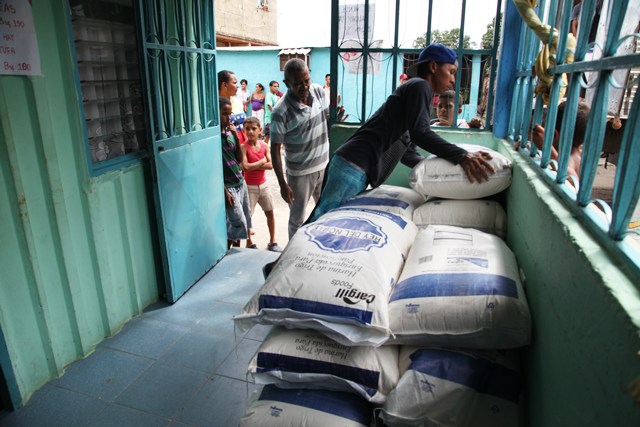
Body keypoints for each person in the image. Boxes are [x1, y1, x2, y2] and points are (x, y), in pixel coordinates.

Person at [306, 44, 496, 223]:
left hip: (354, 164)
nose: (453, 79)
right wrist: (461, 156)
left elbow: (407, 152)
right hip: (353, 165)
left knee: (326, 217)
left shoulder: (416, 91)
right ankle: (290, 258)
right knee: (323, 219)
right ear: (433, 67)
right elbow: (420, 133)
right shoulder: (420, 87)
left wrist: (439, 172)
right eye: (451, 72)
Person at [270, 59, 333, 238]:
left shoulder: (319, 92)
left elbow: (327, 119)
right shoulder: (280, 112)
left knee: (327, 211)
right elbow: (274, 150)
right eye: (298, 83)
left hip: (324, 166)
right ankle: (293, 257)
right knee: (297, 220)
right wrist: (282, 184)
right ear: (287, 83)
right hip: (299, 175)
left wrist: (336, 119)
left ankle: (321, 249)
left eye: (306, 80)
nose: (304, 86)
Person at [240, 116, 283, 252]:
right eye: (247, 129)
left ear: (260, 130)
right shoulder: (243, 147)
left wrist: (257, 164)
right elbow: (245, 167)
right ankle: (249, 242)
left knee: (270, 213)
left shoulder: (264, 146)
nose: (251, 132)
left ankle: (272, 241)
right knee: (248, 216)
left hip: (263, 185)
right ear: (244, 130)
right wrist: (262, 161)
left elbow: (271, 165)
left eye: (254, 128)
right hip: (249, 187)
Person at [219, 97, 254, 249]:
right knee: (239, 223)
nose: (228, 117)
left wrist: (235, 136)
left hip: (240, 182)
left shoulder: (229, 134)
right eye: (224, 114)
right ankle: (225, 251)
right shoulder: (215, 138)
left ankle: (237, 250)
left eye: (230, 113)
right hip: (229, 186)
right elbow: (213, 169)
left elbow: (239, 158)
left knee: (246, 220)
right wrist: (224, 190)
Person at [531, 100, 590, 179]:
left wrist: (548, 150)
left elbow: (574, 181)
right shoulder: (579, 155)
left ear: (555, 135)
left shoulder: (569, 158)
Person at [218, 69, 247, 144]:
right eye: (234, 83)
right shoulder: (216, 105)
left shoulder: (237, 102)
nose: (237, 86)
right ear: (224, 84)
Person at [264, 80, 281, 145]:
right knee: (267, 136)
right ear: (270, 87)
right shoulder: (269, 94)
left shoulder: (275, 95)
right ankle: (264, 151)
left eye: (277, 86)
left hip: (274, 120)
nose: (276, 88)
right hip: (269, 119)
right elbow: (270, 106)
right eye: (275, 86)